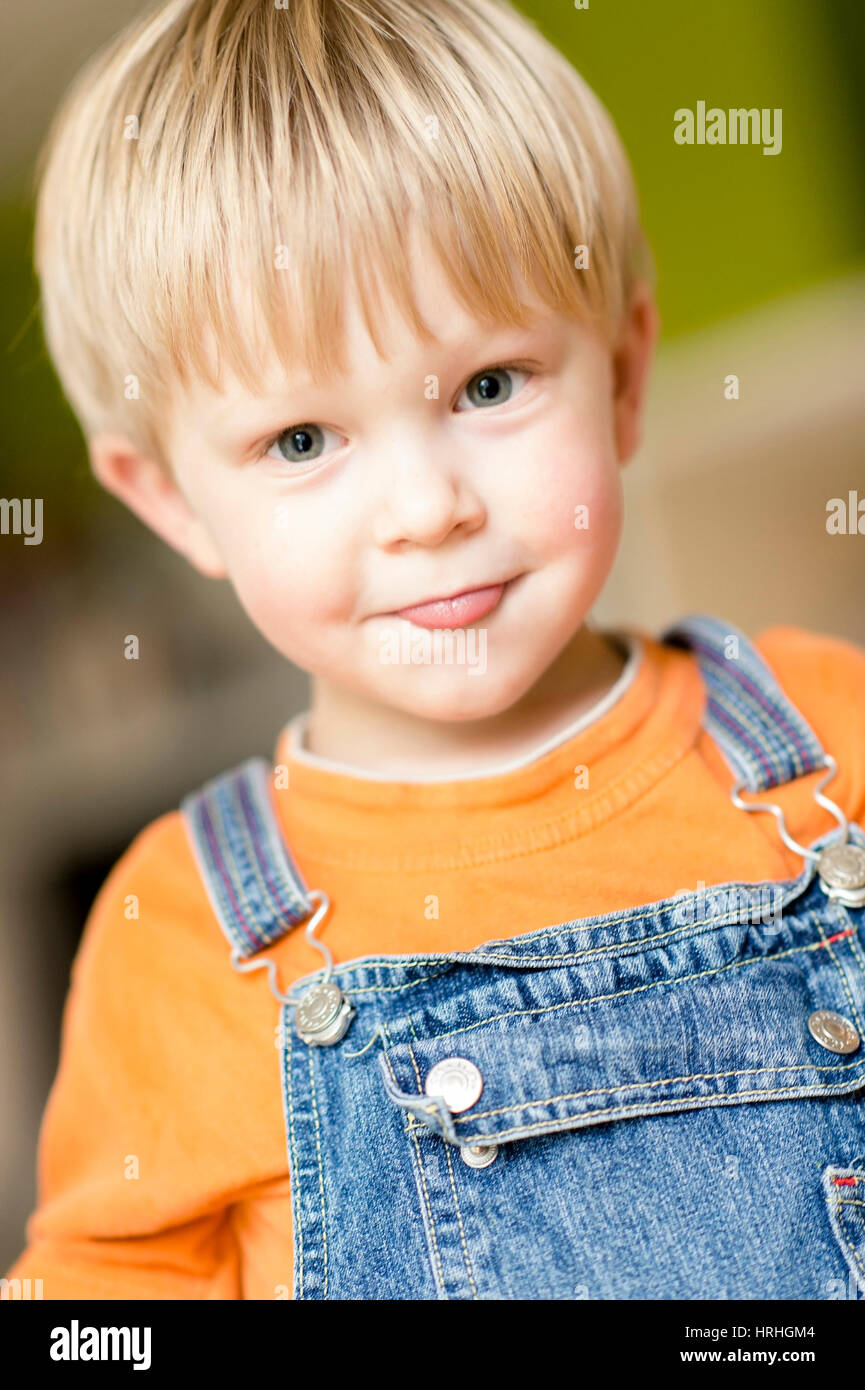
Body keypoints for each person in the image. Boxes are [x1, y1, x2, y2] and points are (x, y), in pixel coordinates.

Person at [6, 0, 865, 1300]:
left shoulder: (827, 729)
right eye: (301, 440)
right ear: (170, 498)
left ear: (624, 373)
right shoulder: (176, 935)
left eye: (488, 385)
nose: (428, 511)